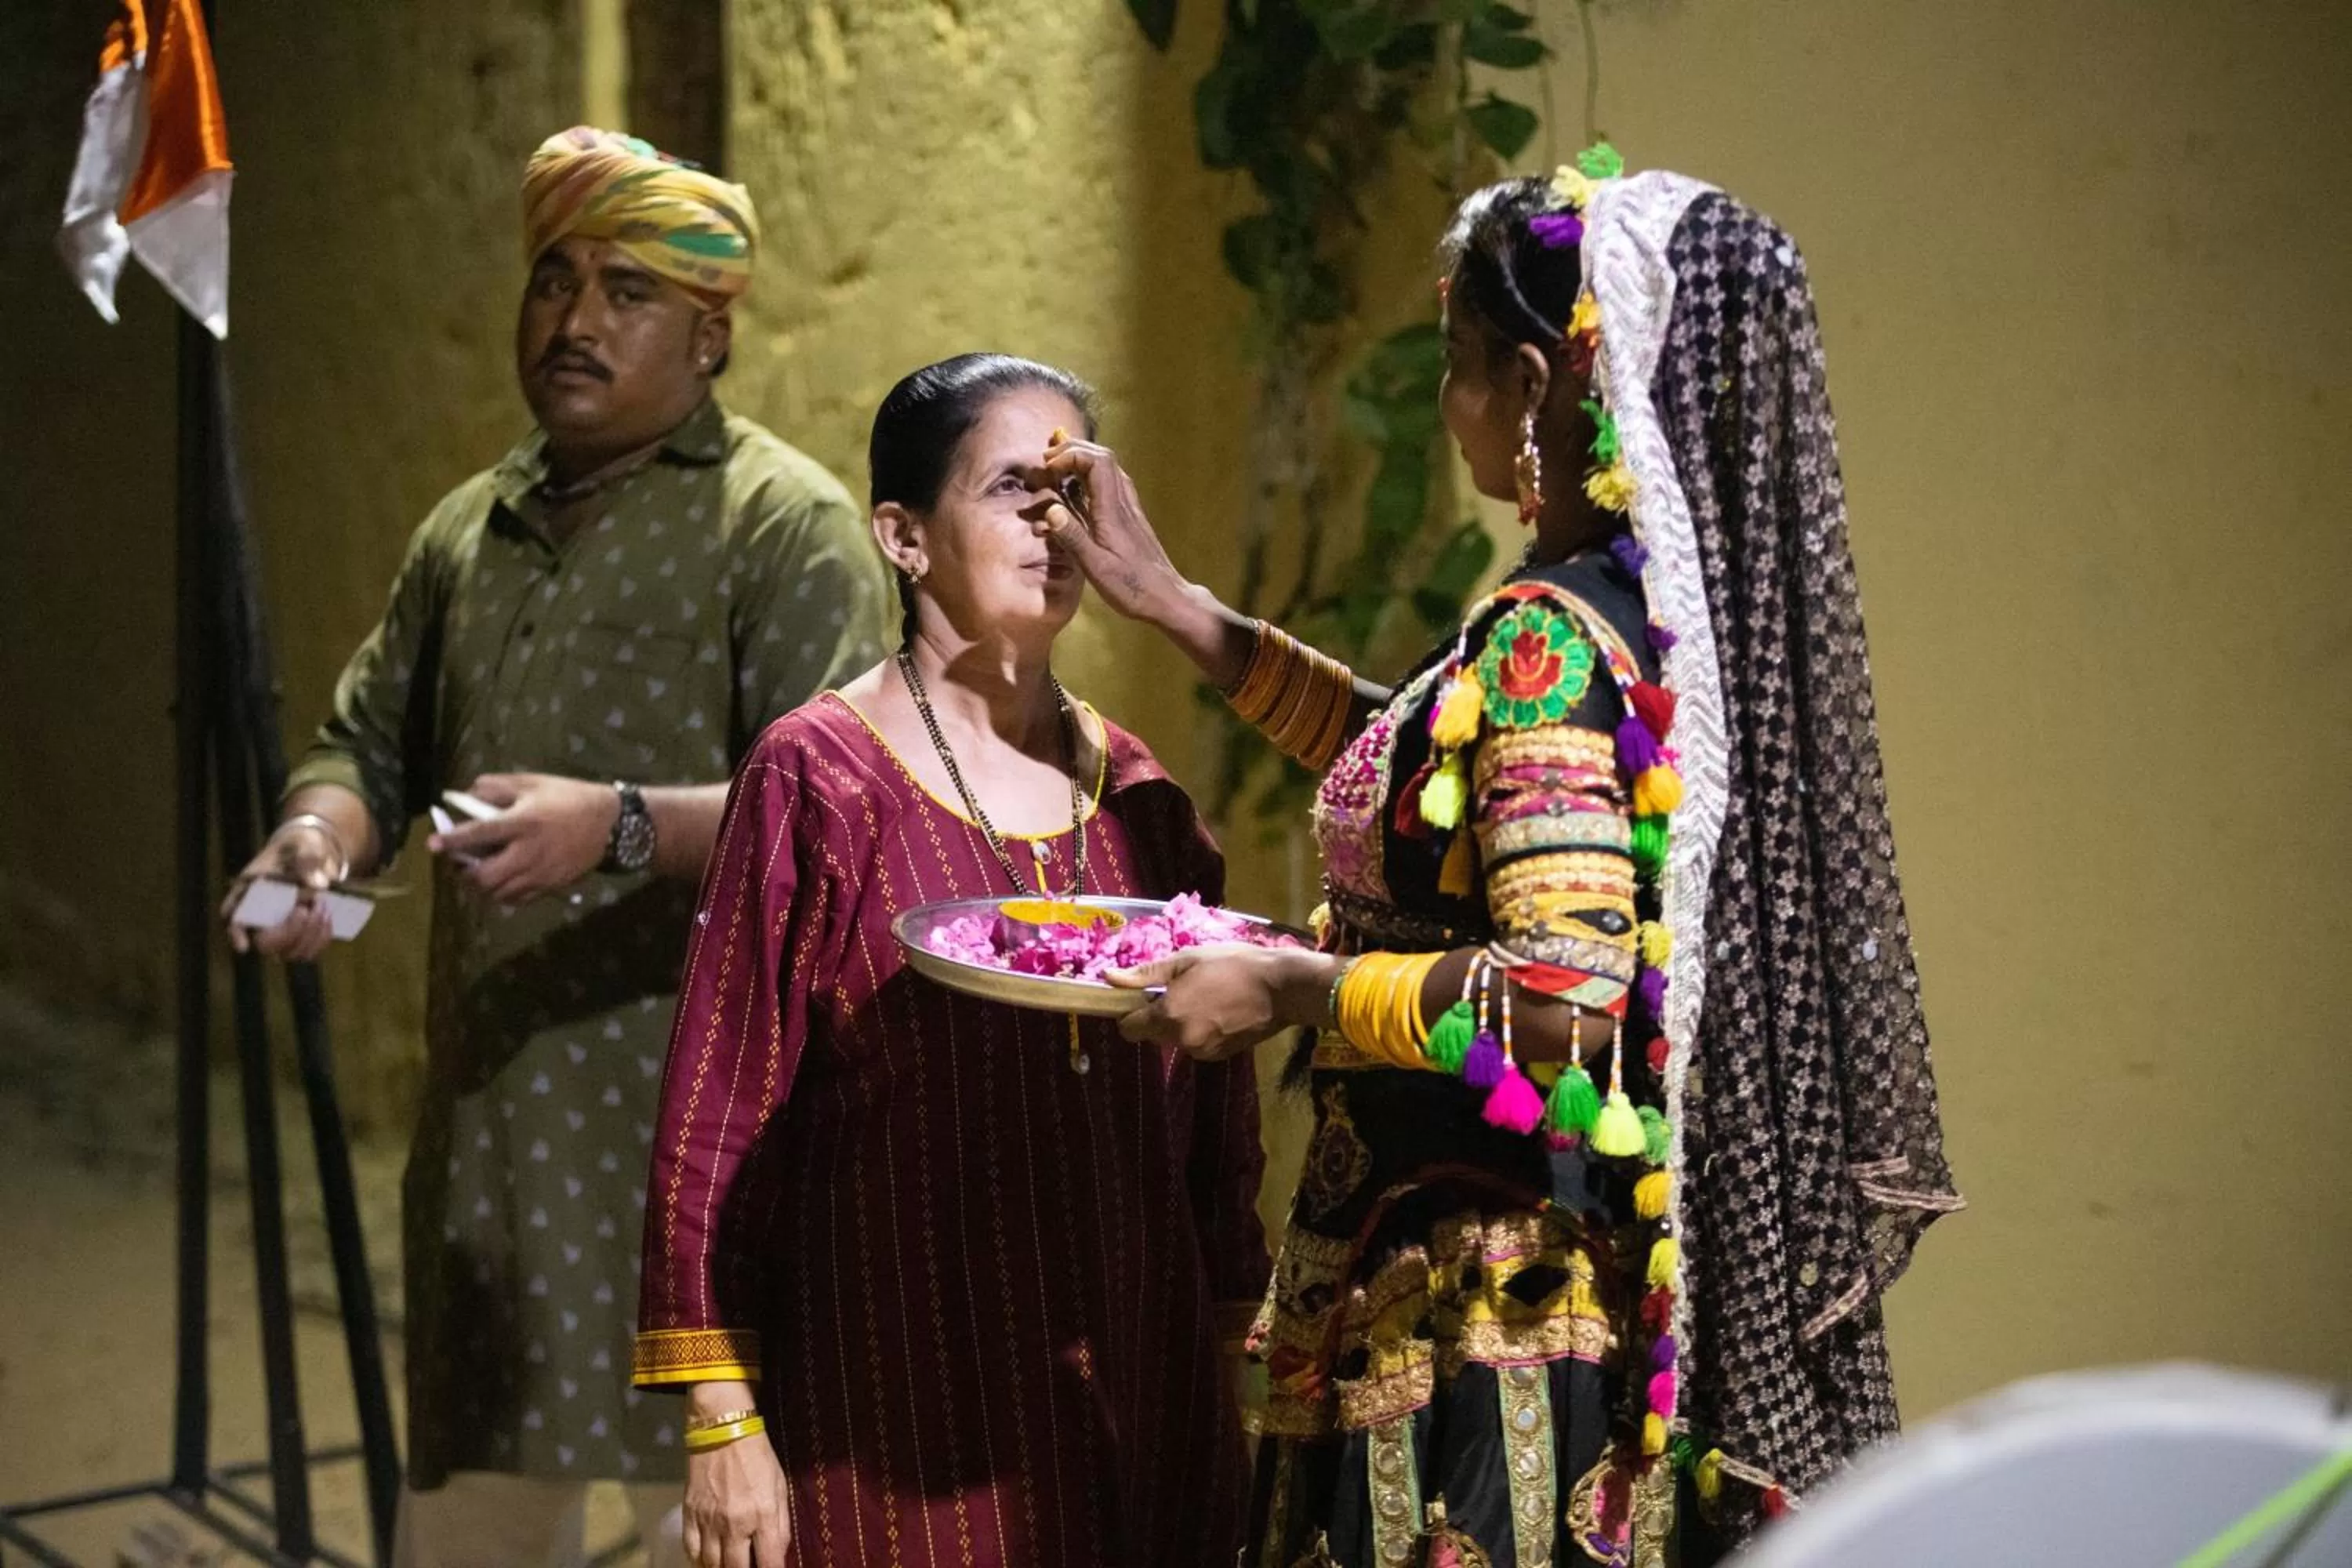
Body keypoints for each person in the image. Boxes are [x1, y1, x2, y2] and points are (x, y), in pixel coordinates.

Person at [1040, 151, 1962, 1565]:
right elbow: (1420, 787)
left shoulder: (1541, 642)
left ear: (1535, 389)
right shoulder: (1651, 621)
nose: (1448, 401)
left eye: (1460, 365)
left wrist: (1291, 989)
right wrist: (1180, 611)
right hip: (1581, 1303)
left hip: (1478, 1319)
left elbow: (1559, 1009)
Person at [220, 126, 892, 1566]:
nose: (576, 321)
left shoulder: (783, 526)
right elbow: (369, 751)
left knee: (697, 1528)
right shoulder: (469, 529)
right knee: (468, 1525)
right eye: (554, 281)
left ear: (711, 337)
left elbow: (845, 819)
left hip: (702, 1153)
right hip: (501, 1154)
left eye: (627, 292)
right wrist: (313, 842)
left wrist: (618, 825)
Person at [633, 353, 1271, 1568]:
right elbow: (717, 1113)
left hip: (1134, 1399)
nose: (1053, 523)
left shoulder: (1143, 803)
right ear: (904, 537)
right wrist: (722, 1416)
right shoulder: (818, 779)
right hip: (898, 1415)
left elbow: (1215, 1141)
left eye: (1074, 491)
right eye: (1011, 489)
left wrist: (1235, 1374)